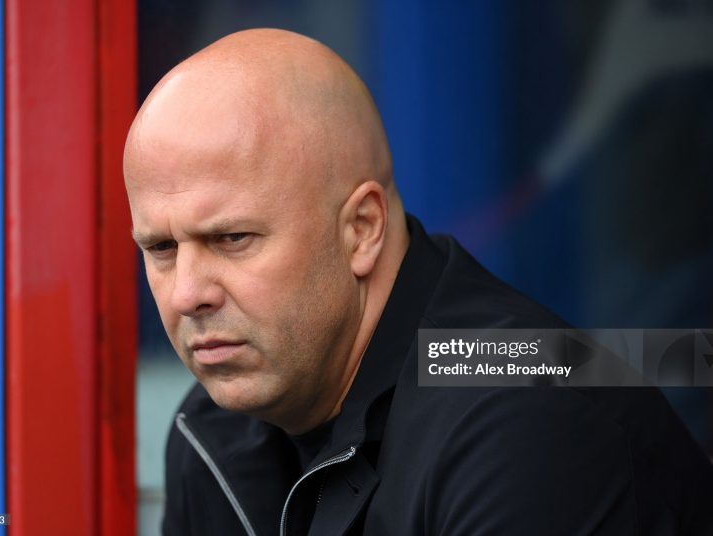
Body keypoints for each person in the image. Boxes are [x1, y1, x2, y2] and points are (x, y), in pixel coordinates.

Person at [123, 29, 713, 536]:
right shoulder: (209, 430)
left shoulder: (525, 418)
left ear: (362, 229)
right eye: (161, 248)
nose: (187, 293)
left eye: (232, 239)